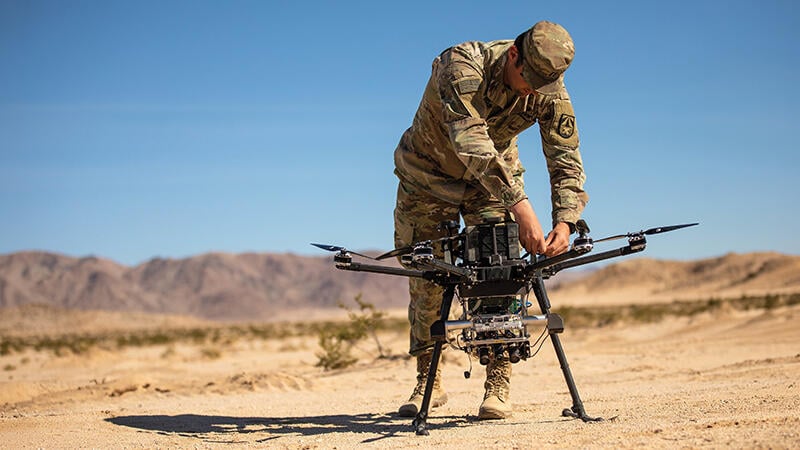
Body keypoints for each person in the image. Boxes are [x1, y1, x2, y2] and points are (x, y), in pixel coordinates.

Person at [392, 21, 588, 420]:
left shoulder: (548, 88)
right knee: (428, 276)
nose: (531, 91)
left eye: (542, 85)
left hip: (492, 185)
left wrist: (565, 222)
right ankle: (428, 378)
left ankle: (498, 380)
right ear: (513, 54)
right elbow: (471, 142)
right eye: (527, 79)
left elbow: (565, 158)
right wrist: (522, 206)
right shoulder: (461, 65)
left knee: (500, 269)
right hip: (428, 178)